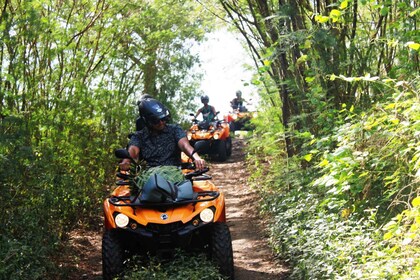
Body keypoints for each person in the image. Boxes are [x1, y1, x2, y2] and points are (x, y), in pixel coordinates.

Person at [120, 95, 205, 171]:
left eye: (163, 119)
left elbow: (185, 145)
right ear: (146, 121)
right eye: (155, 121)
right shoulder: (139, 136)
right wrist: (126, 161)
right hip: (149, 178)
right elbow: (133, 151)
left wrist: (196, 157)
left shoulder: (175, 130)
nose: (161, 123)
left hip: (175, 174)